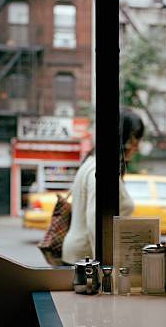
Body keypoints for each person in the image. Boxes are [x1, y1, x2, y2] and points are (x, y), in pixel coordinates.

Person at [62, 109, 145, 264]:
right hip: (86, 259)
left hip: (80, 255)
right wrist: (105, 268)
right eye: (134, 140)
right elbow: (96, 222)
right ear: (123, 137)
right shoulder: (100, 169)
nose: (136, 147)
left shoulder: (93, 162)